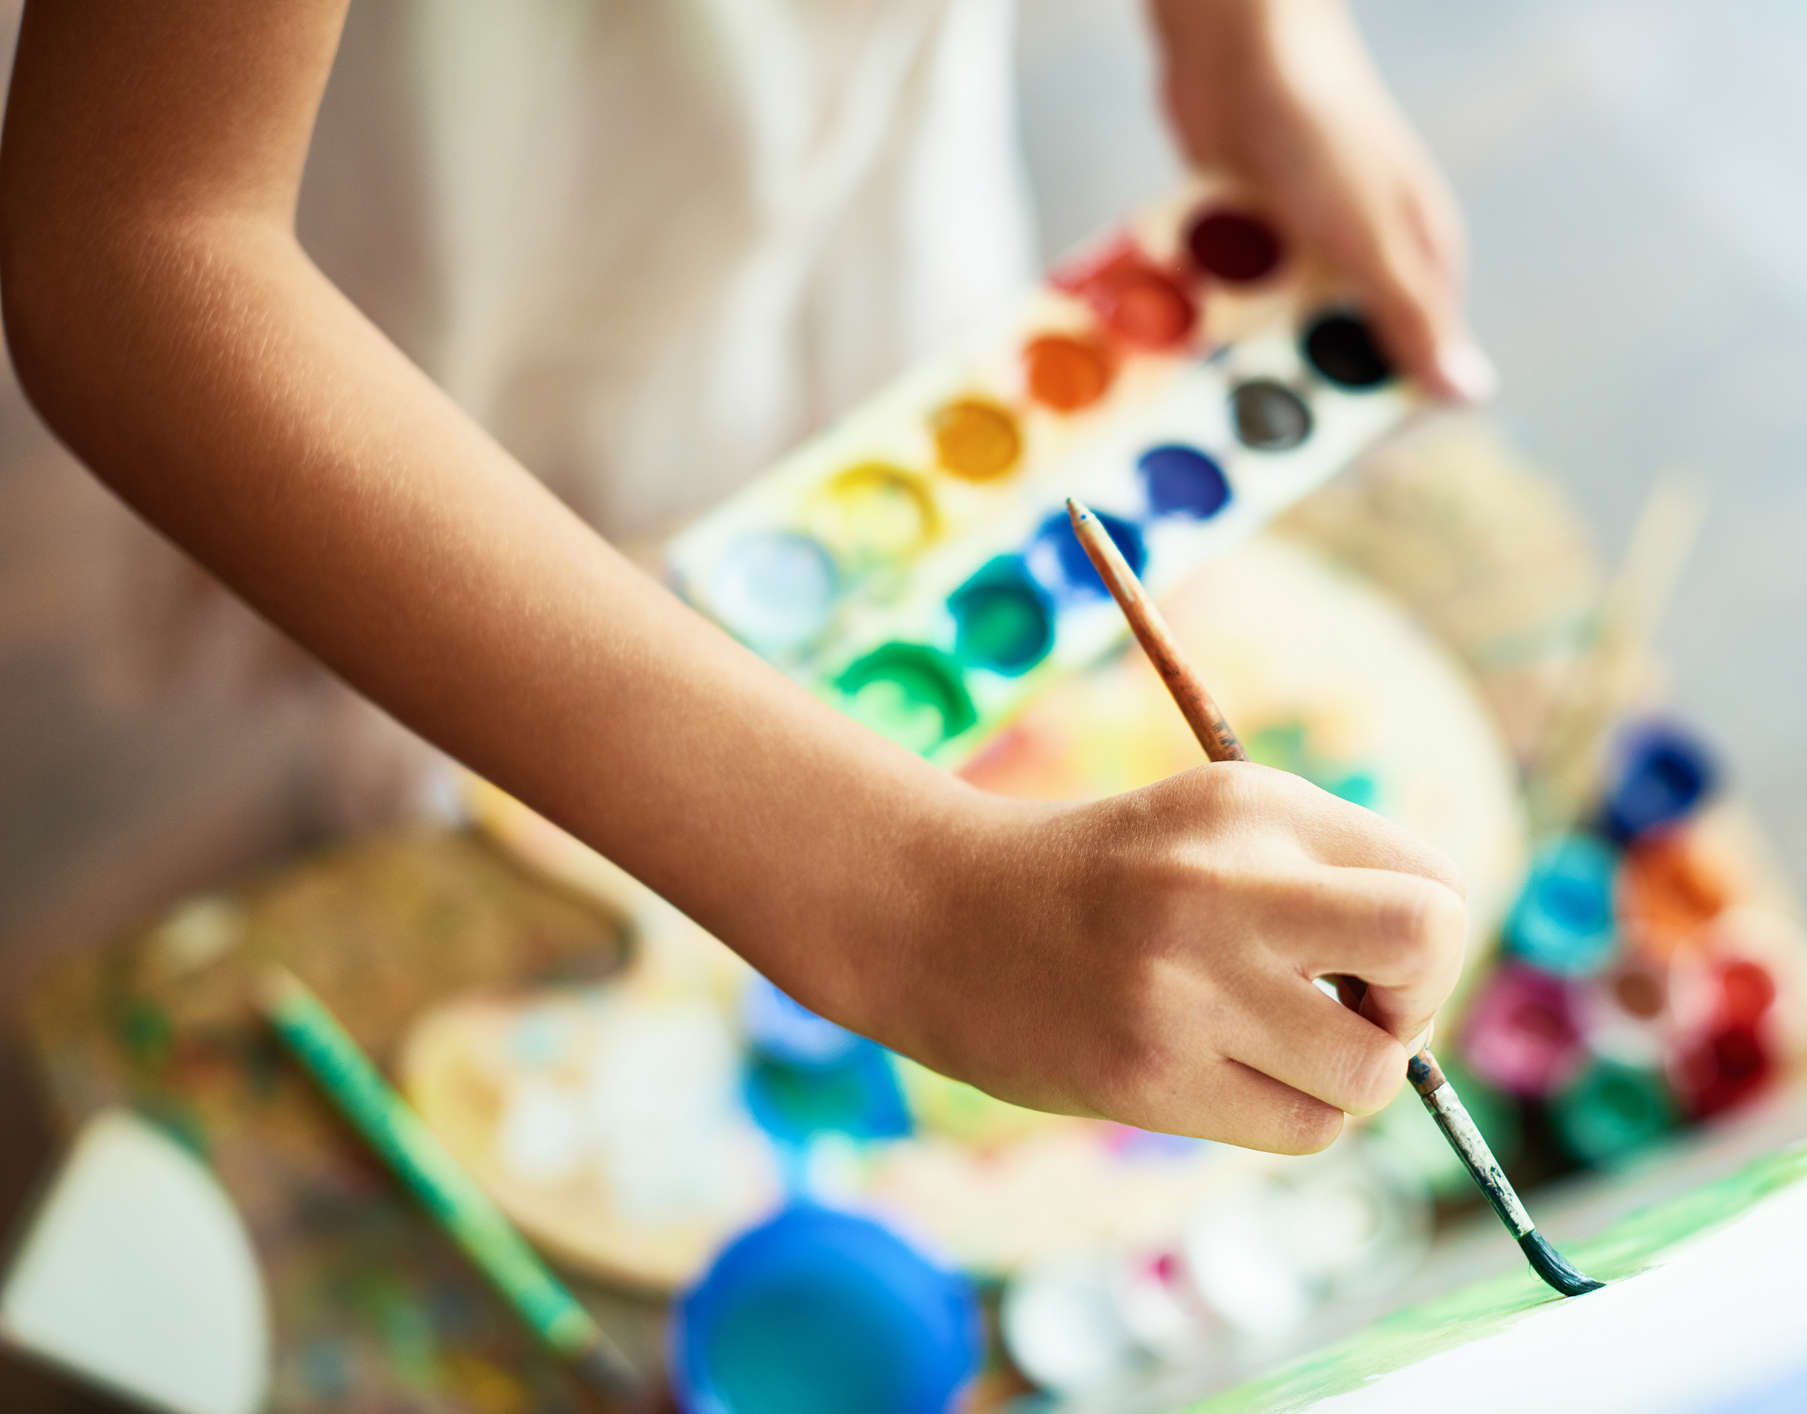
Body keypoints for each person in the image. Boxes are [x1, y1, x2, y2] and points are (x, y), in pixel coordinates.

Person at [0, 0, 1488, 1154]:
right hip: (430, 268)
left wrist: (1253, 33)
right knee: (376, 781)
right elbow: (137, 248)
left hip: (844, 153)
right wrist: (919, 906)